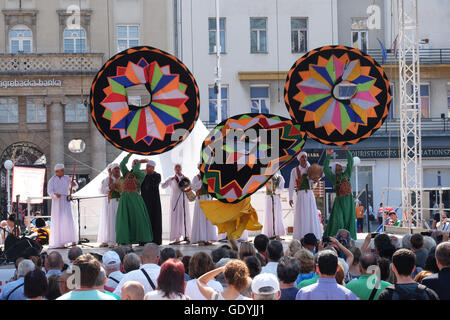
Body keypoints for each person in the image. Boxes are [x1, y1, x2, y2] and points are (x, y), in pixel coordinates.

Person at [115, 154, 153, 245]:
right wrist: (129, 154)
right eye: (134, 162)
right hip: (125, 198)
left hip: (135, 198)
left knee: (137, 218)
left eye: (137, 162)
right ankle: (125, 239)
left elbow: (136, 171)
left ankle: (140, 238)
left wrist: (139, 162)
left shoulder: (141, 173)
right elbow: (122, 164)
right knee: (124, 219)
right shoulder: (126, 173)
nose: (135, 163)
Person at [323, 146, 357, 239]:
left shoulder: (347, 174)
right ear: (334, 168)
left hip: (349, 200)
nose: (340, 165)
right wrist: (328, 155)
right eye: (337, 165)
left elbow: (350, 162)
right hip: (340, 201)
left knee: (349, 219)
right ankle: (338, 237)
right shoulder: (333, 177)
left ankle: (349, 238)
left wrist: (347, 150)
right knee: (340, 220)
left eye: (340, 165)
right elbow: (326, 168)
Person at [288, 151, 323, 240]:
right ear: (299, 159)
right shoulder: (294, 170)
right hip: (300, 195)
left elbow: (313, 185)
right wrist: (290, 198)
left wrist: (315, 181)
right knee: (301, 214)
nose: (304, 158)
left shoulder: (310, 170)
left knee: (311, 214)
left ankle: (313, 234)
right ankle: (301, 235)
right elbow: (291, 185)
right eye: (302, 157)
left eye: (305, 157)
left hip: (310, 195)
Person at [47, 164, 78, 248]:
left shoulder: (67, 178)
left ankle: (72, 239)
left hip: (66, 201)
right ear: (57, 171)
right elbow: (49, 191)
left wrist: (73, 184)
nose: (64, 172)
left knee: (68, 219)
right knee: (58, 220)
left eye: (64, 170)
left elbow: (75, 187)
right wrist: (55, 195)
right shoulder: (52, 180)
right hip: (57, 202)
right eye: (62, 170)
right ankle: (60, 242)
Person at [161, 164, 192, 244]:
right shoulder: (171, 179)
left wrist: (187, 182)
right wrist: (170, 180)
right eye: (176, 168)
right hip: (175, 201)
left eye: (179, 168)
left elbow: (190, 187)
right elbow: (163, 186)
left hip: (184, 200)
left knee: (185, 217)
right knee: (175, 218)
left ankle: (187, 236)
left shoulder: (185, 178)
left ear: (181, 168)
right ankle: (176, 238)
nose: (178, 169)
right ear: (174, 169)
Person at [190, 164, 217, 245]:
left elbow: (214, 187)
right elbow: (194, 187)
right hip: (200, 199)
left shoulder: (209, 176)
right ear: (198, 168)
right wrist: (202, 180)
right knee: (201, 218)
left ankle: (208, 239)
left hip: (208, 199)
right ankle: (201, 239)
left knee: (208, 218)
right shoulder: (196, 177)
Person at [98, 163, 121, 247]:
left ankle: (121, 240)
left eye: (118, 168)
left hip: (121, 202)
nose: (117, 170)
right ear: (112, 170)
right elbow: (102, 191)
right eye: (115, 169)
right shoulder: (108, 179)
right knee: (112, 221)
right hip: (112, 202)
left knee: (121, 221)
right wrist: (109, 188)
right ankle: (112, 241)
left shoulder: (122, 179)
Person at [141, 160, 163, 245]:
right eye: (146, 167)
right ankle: (144, 240)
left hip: (154, 203)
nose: (146, 168)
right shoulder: (143, 175)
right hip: (144, 201)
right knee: (145, 221)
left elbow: (153, 183)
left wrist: (146, 175)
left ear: (153, 168)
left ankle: (156, 240)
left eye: (148, 167)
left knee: (155, 220)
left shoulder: (157, 175)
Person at [264, 172, 286, 239]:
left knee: (277, 215)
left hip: (276, 197)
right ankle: (270, 233)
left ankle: (277, 234)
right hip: (268, 198)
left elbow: (281, 188)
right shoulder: (266, 176)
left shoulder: (279, 177)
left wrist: (275, 191)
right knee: (269, 215)